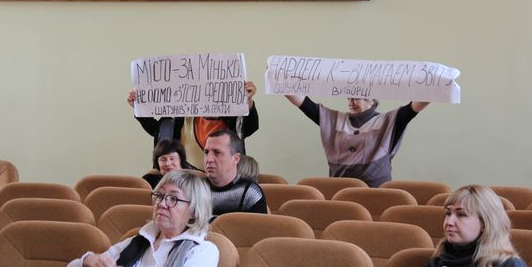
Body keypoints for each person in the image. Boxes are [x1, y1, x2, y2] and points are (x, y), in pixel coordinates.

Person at [61, 170, 219, 267]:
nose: (161, 204)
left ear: (194, 211)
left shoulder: (202, 251)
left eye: (173, 199)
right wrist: (89, 261)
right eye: (160, 195)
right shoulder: (136, 242)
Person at [285, 95, 429, 187]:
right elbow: (305, 104)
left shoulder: (388, 121)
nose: (351, 102)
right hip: (339, 192)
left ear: (372, 100)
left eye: (356, 98)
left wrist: (433, 87)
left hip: (376, 193)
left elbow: (413, 108)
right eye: (349, 98)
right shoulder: (335, 120)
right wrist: (281, 81)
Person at [127, 81, 259, 170]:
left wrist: (248, 101)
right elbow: (160, 131)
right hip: (185, 186)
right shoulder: (182, 118)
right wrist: (139, 108)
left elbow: (250, 126)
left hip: (223, 185)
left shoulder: (233, 121)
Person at [203, 130, 267, 216]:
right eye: (206, 152)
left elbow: (258, 225)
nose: (208, 159)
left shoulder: (250, 193)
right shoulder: (194, 189)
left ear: (236, 159)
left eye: (217, 152)